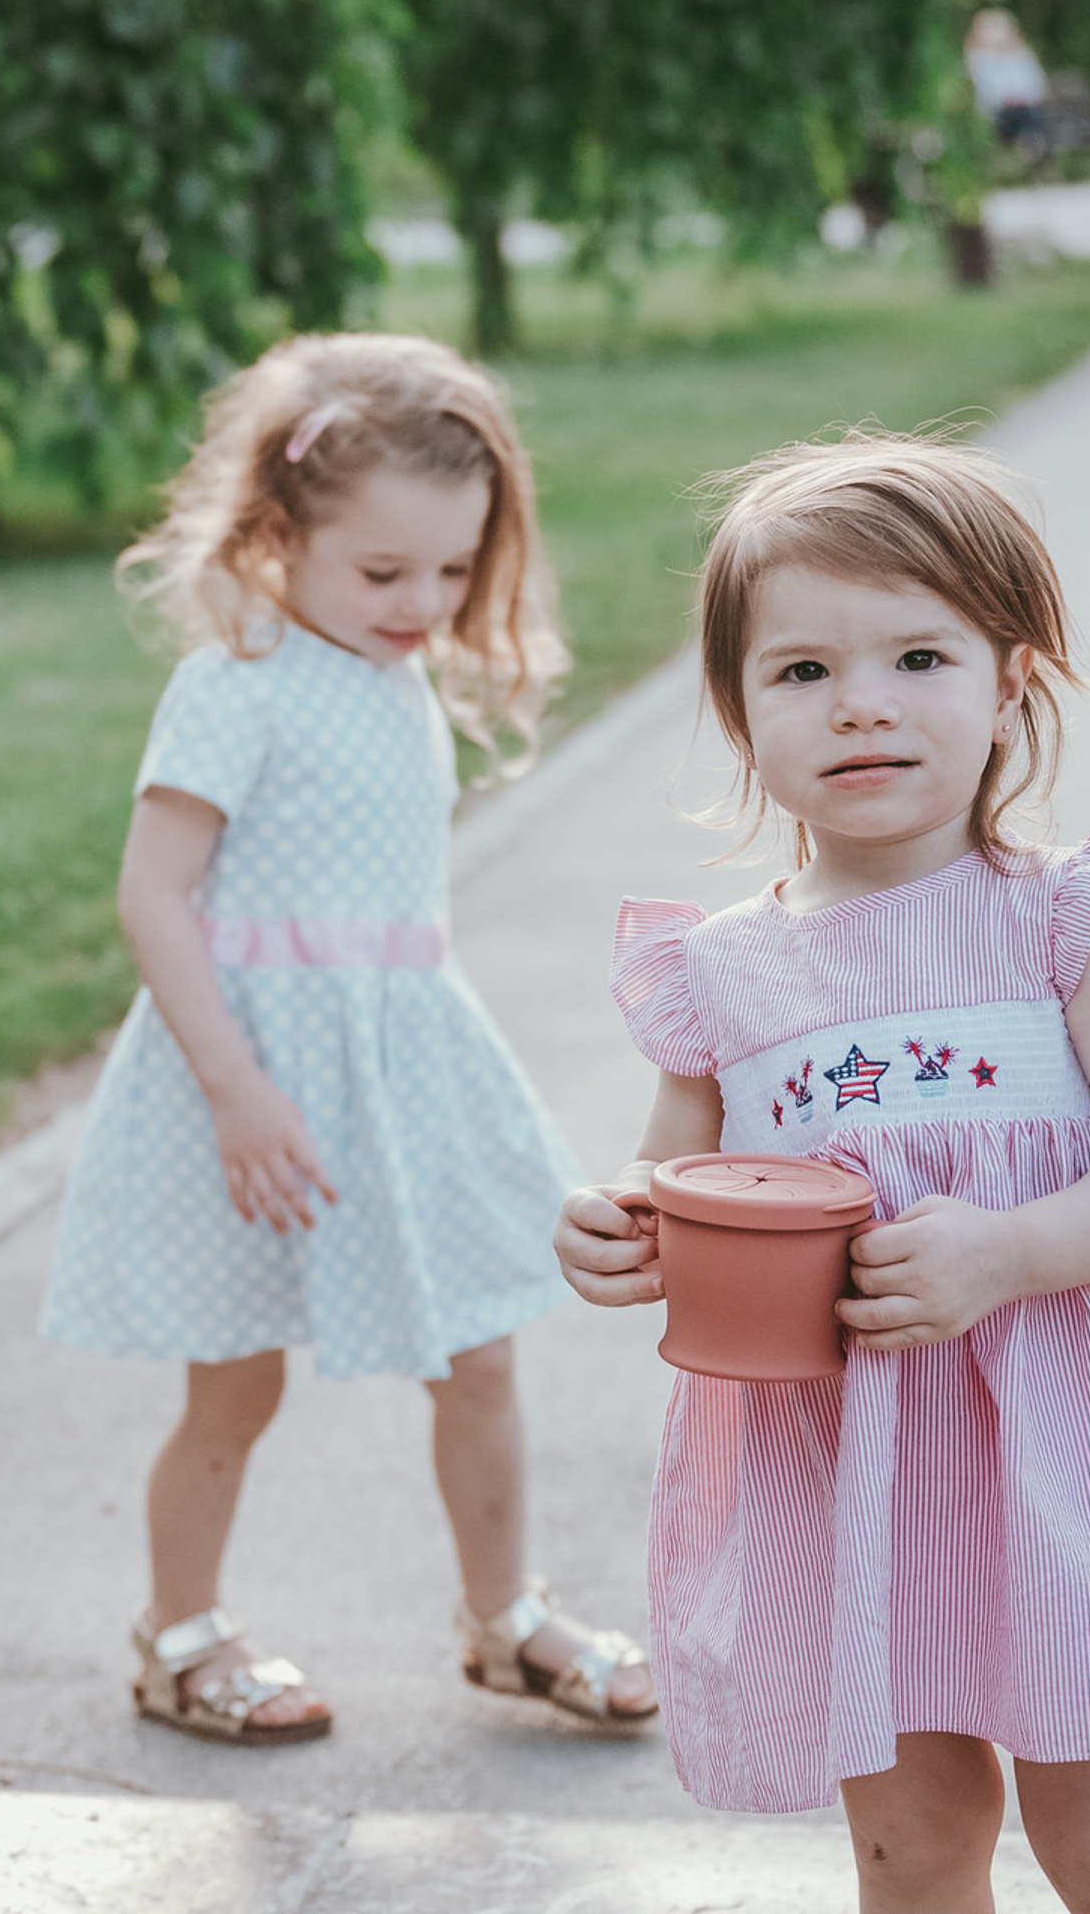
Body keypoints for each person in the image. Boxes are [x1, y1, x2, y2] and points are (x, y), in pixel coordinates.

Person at [555, 434, 1090, 1912]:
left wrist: (1007, 1251)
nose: (859, 702)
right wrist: (623, 1231)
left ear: (1012, 684)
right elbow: (681, 1187)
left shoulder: (1066, 922)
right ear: (739, 719)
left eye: (918, 656)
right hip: (852, 1468)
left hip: (1062, 1454)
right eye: (799, 672)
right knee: (914, 1849)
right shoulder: (722, 981)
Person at [41, 332, 658, 1745]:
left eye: (452, 571)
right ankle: (176, 1635)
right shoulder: (239, 681)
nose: (423, 603)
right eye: (384, 573)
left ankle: (504, 1620)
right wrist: (236, 1088)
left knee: (482, 1350)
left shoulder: (399, 682)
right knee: (235, 1377)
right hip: (251, 1080)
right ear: (277, 530)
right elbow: (155, 893)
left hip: (402, 1066)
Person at [965, 7, 1053, 158]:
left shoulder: (1021, 55)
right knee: (1021, 117)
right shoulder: (979, 59)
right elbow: (985, 90)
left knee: (1030, 114)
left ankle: (1031, 148)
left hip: (1026, 107)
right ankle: (1032, 148)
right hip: (997, 111)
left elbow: (1035, 84)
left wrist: (1022, 98)